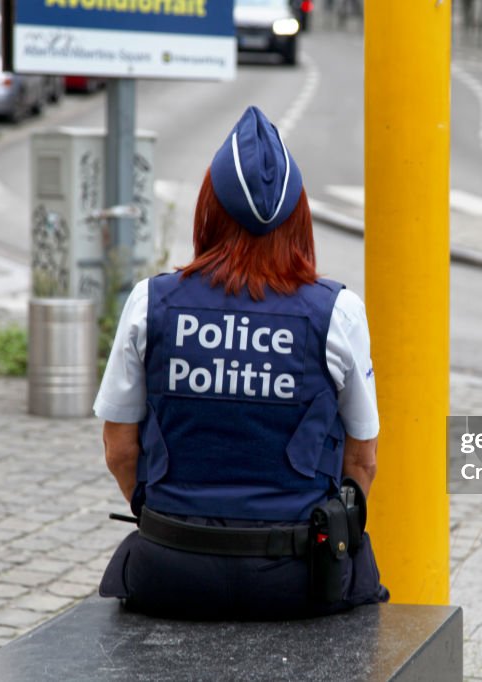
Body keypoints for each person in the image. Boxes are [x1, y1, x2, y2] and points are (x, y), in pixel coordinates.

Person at [94, 106, 389, 620]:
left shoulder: (150, 301)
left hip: (169, 568)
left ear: (209, 210)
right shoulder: (336, 311)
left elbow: (120, 450)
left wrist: (170, 520)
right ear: (299, 218)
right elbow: (361, 462)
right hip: (300, 579)